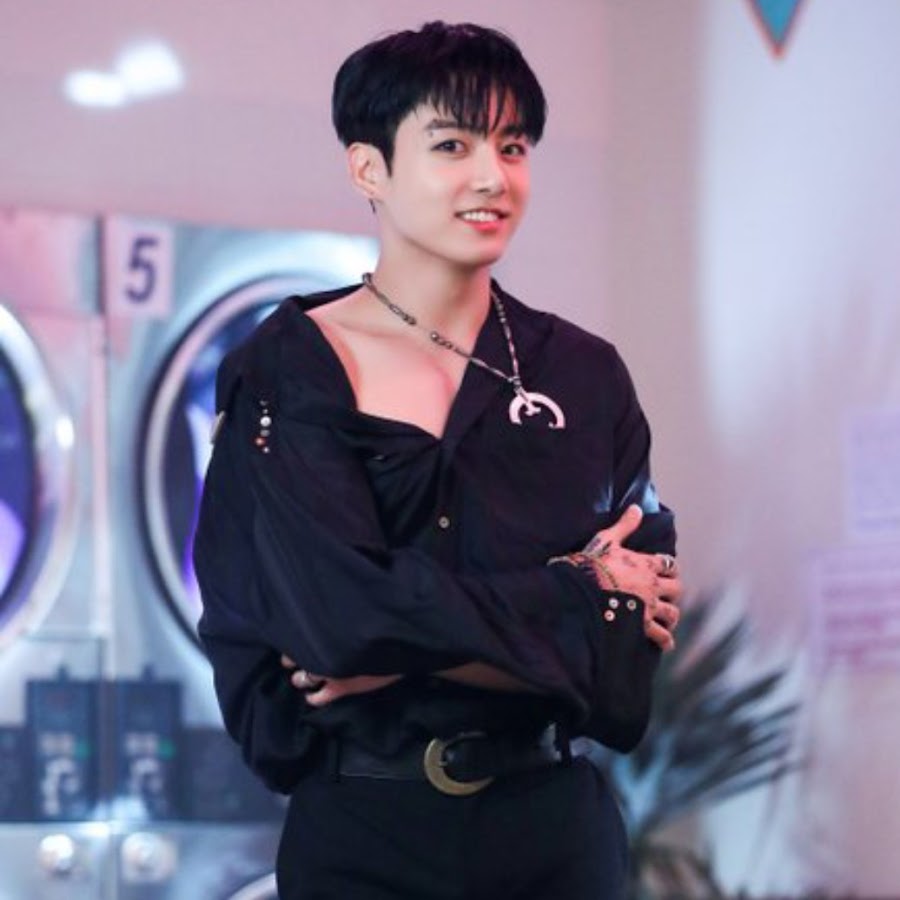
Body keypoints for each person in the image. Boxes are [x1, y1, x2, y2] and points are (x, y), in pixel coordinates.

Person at [193, 20, 682, 900]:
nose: (493, 177)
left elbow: (620, 673)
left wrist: (393, 650)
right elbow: (331, 623)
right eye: (452, 145)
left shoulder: (585, 374)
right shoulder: (290, 365)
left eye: (513, 146)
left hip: (557, 839)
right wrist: (576, 588)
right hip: (364, 835)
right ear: (368, 169)